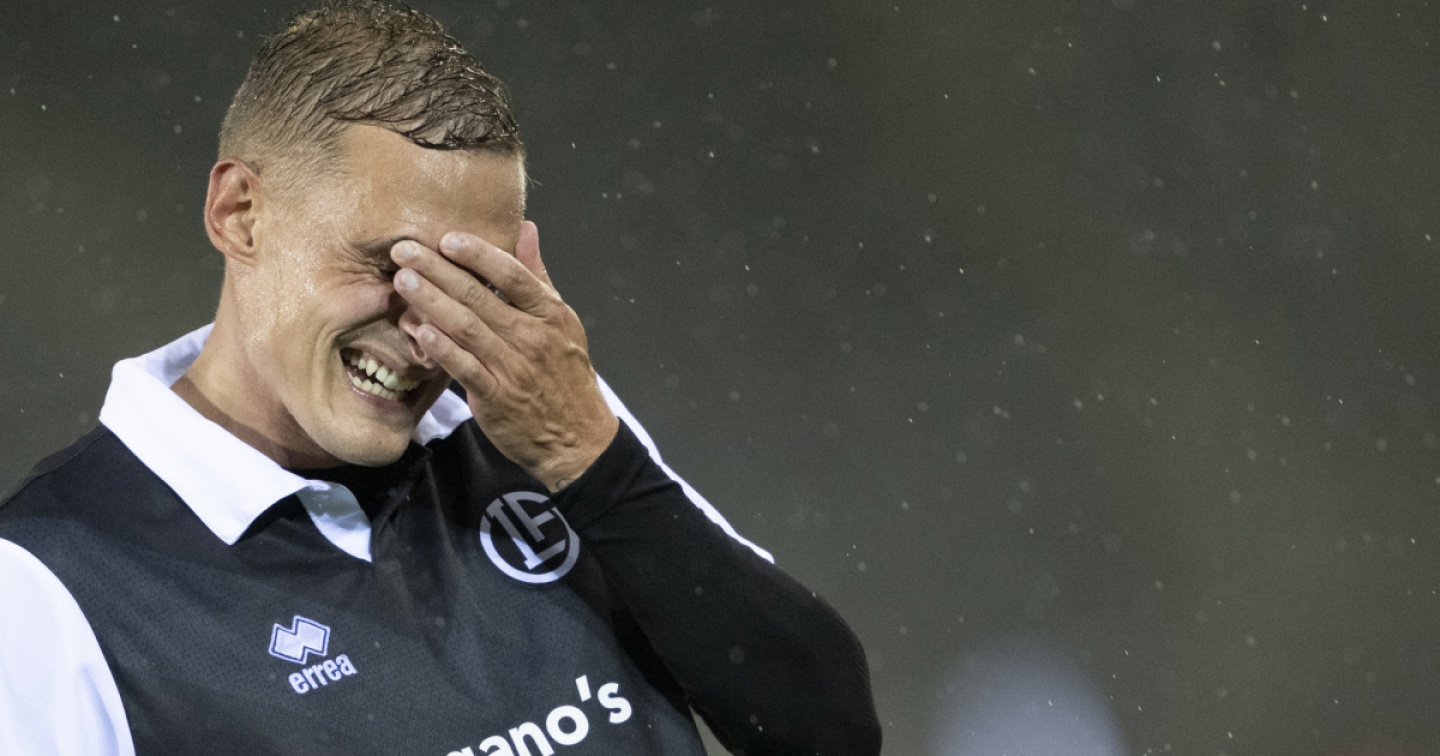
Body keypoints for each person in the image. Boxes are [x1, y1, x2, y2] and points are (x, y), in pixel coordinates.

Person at [0, 3, 880, 755]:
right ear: (241, 214)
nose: (427, 334)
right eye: (390, 264)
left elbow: (827, 732)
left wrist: (590, 459)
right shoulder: (43, 590)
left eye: (471, 282)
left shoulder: (545, 432)